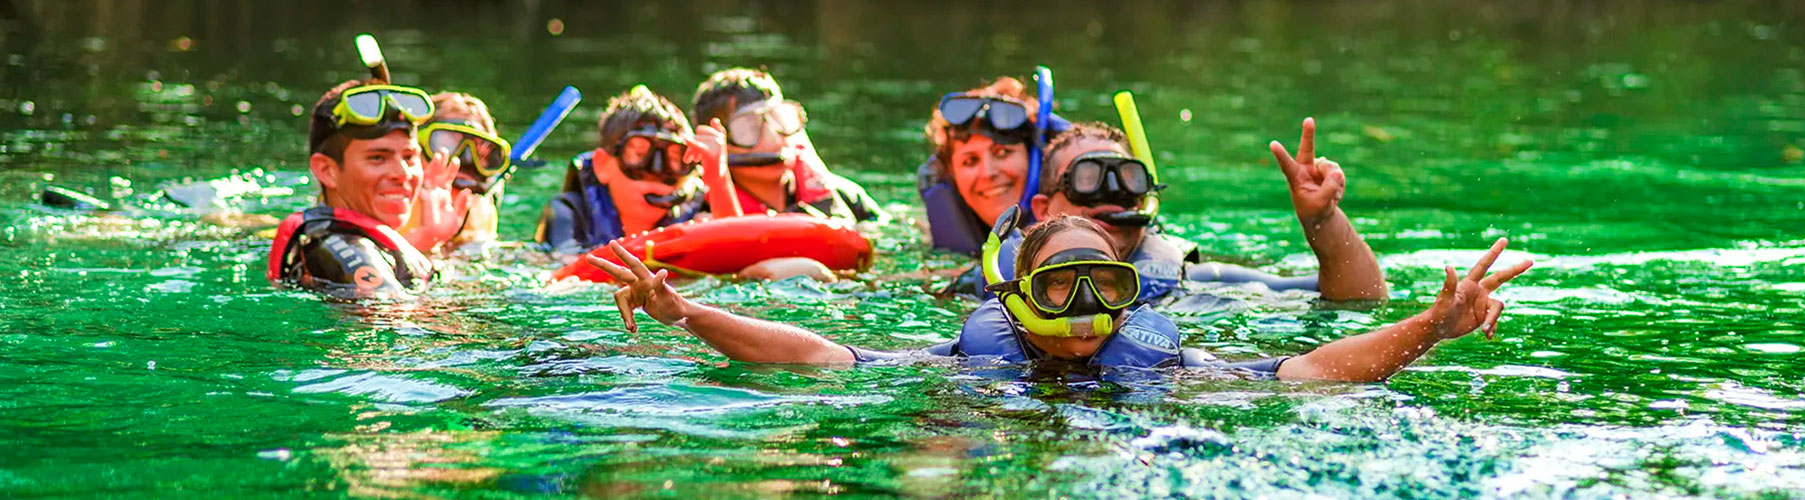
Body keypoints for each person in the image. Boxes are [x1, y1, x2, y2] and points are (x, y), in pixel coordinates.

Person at [586, 215, 1531, 380]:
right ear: (1015, 293)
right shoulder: (972, 360)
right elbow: (811, 351)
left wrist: (1432, 326)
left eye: (1106, 282)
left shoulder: (1165, 362)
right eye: (1060, 283)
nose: (1084, 304)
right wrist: (685, 312)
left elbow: (1315, 371)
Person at [953, 119, 1386, 303]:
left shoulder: (1189, 280)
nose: (1113, 195)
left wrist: (1322, 221)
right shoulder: (993, 286)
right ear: (1044, 210)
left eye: (1128, 179)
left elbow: (1358, 299)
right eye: (1088, 179)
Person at [266, 79, 435, 298]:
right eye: (377, 158)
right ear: (327, 170)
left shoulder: (337, 240)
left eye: (409, 157)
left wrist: (432, 242)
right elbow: (392, 322)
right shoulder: (345, 250)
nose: (403, 173)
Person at [689, 68, 884, 222]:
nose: (773, 137)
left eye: (779, 118)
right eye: (748, 129)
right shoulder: (697, 212)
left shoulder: (846, 198)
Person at [535, 85, 708, 254]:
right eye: (640, 155)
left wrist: (719, 177)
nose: (657, 172)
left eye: (674, 159)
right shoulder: (569, 213)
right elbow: (561, 268)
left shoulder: (702, 212)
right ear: (602, 165)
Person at [916, 76, 1069, 255]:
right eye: (970, 161)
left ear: (1038, 160)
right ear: (952, 174)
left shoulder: (1083, 232)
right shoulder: (922, 249)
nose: (988, 173)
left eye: (1003, 153)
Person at [401, 91, 511, 254]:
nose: (464, 160)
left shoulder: (480, 210)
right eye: (446, 144)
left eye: (480, 151)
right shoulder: (392, 205)